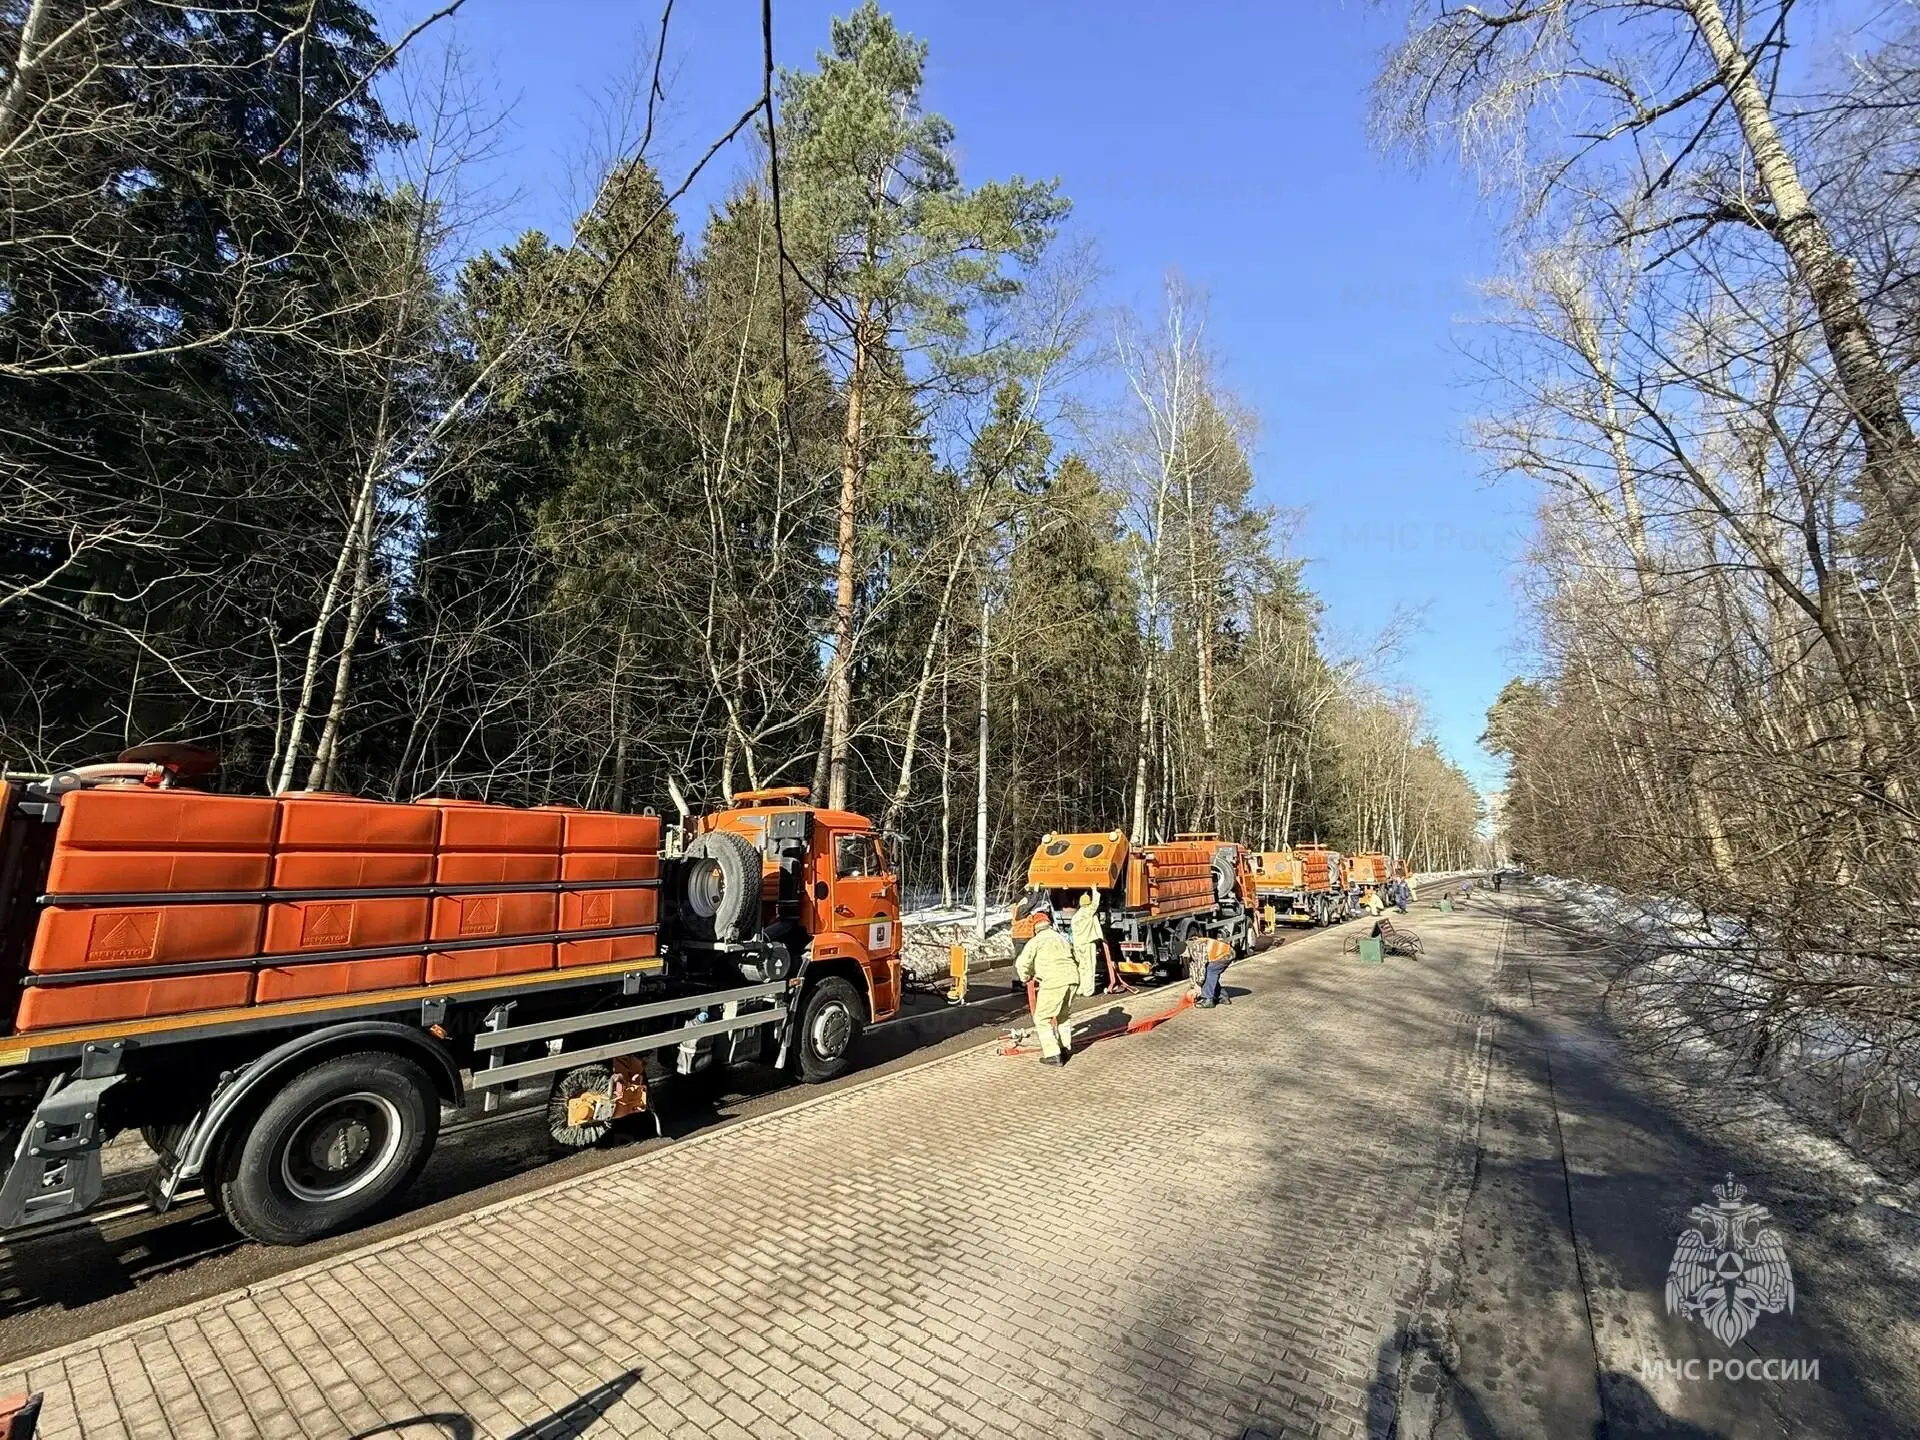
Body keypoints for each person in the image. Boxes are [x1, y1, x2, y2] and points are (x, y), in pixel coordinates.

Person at [1015, 903, 1083, 1066]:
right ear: (1049, 924)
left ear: (1035, 927)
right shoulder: (1061, 938)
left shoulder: (1036, 941)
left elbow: (1022, 963)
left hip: (1054, 981)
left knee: (1042, 1018)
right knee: (1063, 1016)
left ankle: (1053, 1054)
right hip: (1072, 978)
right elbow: (1076, 956)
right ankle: (1064, 1047)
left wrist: (1025, 977)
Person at [1193, 933, 1234, 1008]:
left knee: (1209, 971)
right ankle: (1222, 996)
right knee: (1211, 974)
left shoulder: (1196, 947)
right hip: (1227, 952)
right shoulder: (1192, 946)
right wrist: (1193, 984)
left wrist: (1198, 984)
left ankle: (1208, 999)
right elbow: (1193, 967)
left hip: (1225, 954)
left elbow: (1201, 966)